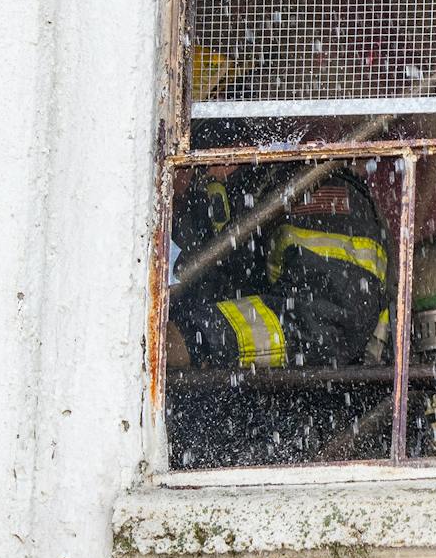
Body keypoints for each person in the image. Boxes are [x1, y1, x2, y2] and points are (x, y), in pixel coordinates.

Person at [164, 163, 391, 466]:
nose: (164, 183)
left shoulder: (311, 188)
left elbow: (328, 321)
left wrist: (196, 339)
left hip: (329, 444)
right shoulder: (205, 213)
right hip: (239, 450)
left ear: (213, 158)